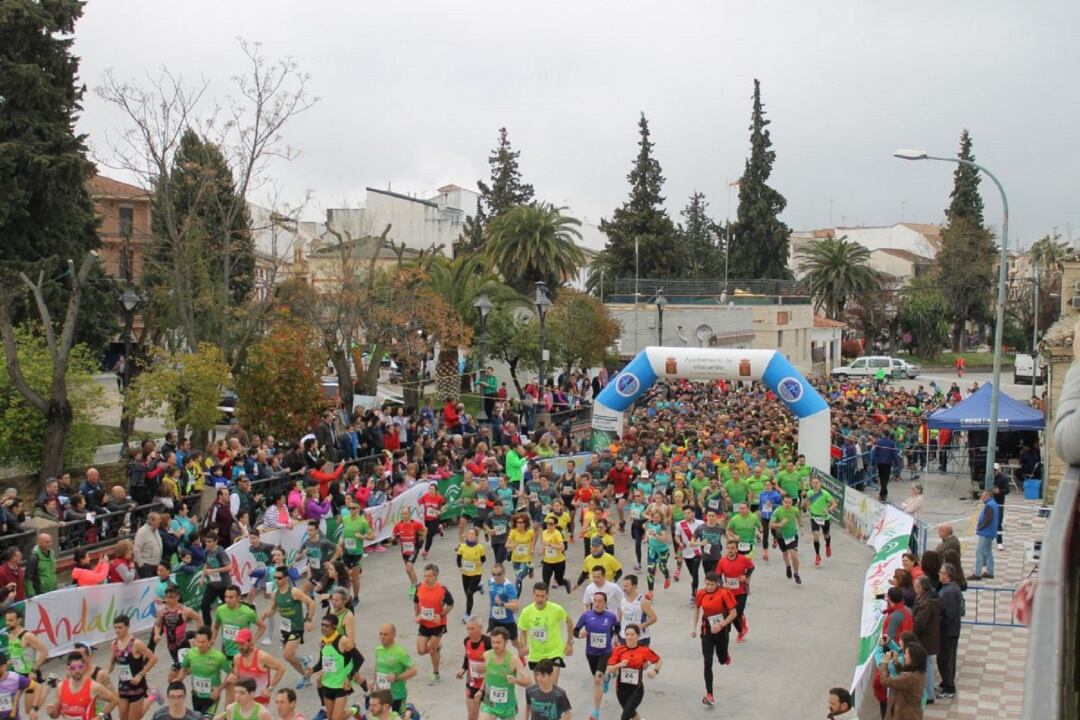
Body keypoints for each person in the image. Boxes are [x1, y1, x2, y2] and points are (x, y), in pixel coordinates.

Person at [259, 568, 316, 687]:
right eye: (275, 577)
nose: (276, 580)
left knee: (287, 655)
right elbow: (273, 609)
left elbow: (311, 603)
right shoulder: (276, 593)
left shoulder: (294, 591)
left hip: (296, 626)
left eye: (279, 578)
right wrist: (266, 614)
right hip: (285, 627)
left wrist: (309, 620)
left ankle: (306, 675)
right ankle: (305, 663)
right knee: (289, 656)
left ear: (286, 578)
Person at [303, 615, 364, 720]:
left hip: (341, 685)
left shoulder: (343, 641)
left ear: (334, 627)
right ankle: (355, 710)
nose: (323, 628)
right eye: (322, 625)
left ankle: (356, 708)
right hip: (327, 684)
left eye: (326, 626)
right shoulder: (322, 642)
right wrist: (312, 670)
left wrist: (349, 677)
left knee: (336, 718)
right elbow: (322, 662)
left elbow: (359, 659)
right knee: (330, 717)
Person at [691, 572, 737, 707]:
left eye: (712, 584)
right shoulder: (700, 594)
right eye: (707, 584)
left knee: (722, 659)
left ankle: (725, 656)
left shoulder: (724, 593)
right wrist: (694, 627)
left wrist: (722, 625)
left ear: (717, 583)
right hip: (707, 629)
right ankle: (709, 693)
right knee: (707, 661)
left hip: (722, 628)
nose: (709, 587)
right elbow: (697, 609)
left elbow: (733, 613)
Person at [574, 591, 619, 720]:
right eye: (595, 601)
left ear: (605, 603)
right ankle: (606, 677)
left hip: (605, 652)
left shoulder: (610, 616)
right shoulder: (586, 616)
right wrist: (579, 634)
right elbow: (575, 631)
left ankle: (596, 711)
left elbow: (617, 627)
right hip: (591, 653)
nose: (597, 604)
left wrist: (615, 636)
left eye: (600, 601)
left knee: (597, 680)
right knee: (598, 676)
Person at [517, 583, 574, 684]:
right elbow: (523, 631)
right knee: (540, 687)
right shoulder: (526, 612)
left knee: (552, 686)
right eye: (537, 595)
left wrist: (569, 643)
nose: (539, 599)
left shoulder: (556, 609)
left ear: (547, 595)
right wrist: (524, 647)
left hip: (554, 652)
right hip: (536, 654)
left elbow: (569, 622)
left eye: (542, 596)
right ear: (533, 595)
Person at [606, 624, 661, 720]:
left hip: (636, 689)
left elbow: (659, 661)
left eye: (632, 634)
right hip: (621, 690)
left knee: (625, 716)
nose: (629, 637)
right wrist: (619, 665)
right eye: (627, 634)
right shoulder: (618, 650)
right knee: (631, 712)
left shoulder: (644, 650)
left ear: (638, 636)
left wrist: (655, 671)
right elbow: (609, 669)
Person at [107, 614, 157, 720]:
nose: (117, 630)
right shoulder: (114, 644)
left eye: (120, 627)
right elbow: (114, 656)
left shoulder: (136, 643)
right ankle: (151, 696)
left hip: (137, 685)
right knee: (122, 717)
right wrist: (110, 666)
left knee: (133, 718)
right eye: (115, 628)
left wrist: (140, 674)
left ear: (127, 627)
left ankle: (151, 697)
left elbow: (153, 659)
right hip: (123, 684)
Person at [46, 651, 118, 720]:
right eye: (73, 668)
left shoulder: (93, 686)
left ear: (84, 667)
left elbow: (115, 700)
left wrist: (100, 717)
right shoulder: (60, 687)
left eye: (80, 667)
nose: (77, 670)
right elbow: (56, 715)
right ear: (68, 669)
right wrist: (51, 712)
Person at [478, 627, 530, 720]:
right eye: (493, 642)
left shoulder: (513, 659)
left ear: (505, 642)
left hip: (507, 707)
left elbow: (528, 681)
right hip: (490, 703)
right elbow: (487, 674)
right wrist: (481, 690)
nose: (495, 645)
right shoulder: (487, 655)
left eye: (498, 642)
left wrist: (515, 680)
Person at [414, 564, 454, 685]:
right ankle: (437, 647)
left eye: (429, 576)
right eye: (425, 575)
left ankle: (436, 674)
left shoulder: (443, 590)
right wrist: (417, 615)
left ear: (436, 576)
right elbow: (416, 601)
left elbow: (451, 604)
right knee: (421, 651)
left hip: (438, 625)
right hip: (424, 624)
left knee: (431, 650)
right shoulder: (420, 587)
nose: (426, 578)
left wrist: (440, 615)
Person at [179, 626, 232, 715]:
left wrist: (220, 689)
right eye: (198, 641)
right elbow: (183, 669)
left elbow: (231, 672)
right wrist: (179, 680)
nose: (200, 645)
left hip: (211, 697)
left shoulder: (219, 657)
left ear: (210, 641)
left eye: (203, 642)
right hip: (196, 695)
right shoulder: (191, 653)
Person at [152, 584, 201, 673]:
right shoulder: (162, 611)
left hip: (182, 644)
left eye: (171, 597)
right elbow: (158, 625)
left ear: (177, 597)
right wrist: (156, 634)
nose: (168, 599)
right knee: (182, 670)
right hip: (171, 645)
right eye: (166, 597)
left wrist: (199, 635)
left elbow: (198, 618)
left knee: (181, 672)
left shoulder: (185, 610)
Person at [231, 629, 285, 706]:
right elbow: (237, 678)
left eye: (242, 643)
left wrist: (270, 688)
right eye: (237, 644)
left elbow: (281, 669)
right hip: (243, 698)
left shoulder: (262, 657)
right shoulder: (237, 658)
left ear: (250, 642)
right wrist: (233, 677)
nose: (239, 647)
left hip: (260, 699)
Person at [715, 539, 754, 642]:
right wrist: (722, 584)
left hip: (741, 591)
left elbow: (751, 567)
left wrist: (745, 576)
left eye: (732, 548)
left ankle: (741, 619)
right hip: (728, 592)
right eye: (728, 548)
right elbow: (718, 576)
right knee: (732, 615)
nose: (730, 550)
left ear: (736, 549)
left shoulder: (743, 559)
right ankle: (741, 632)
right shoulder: (722, 561)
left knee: (737, 613)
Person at [212, 586, 264, 665]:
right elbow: (216, 626)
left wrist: (253, 640)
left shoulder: (247, 612)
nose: (227, 600)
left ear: (238, 598)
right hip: (226, 649)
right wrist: (212, 639)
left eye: (231, 597)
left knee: (237, 675)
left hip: (241, 650)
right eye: (226, 597)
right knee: (230, 673)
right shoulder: (220, 610)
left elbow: (262, 626)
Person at [876, 642, 928, 720]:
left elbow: (884, 680)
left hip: (904, 715)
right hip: (912, 714)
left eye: (906, 654)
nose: (904, 656)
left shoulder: (909, 677)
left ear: (913, 658)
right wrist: (896, 663)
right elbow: (902, 677)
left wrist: (884, 662)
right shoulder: (919, 673)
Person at [373, 624, 417, 716]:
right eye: (380, 634)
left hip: (397, 696)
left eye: (386, 634)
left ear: (394, 635)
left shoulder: (400, 652)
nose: (382, 637)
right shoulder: (378, 649)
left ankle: (412, 712)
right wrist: (373, 683)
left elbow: (414, 670)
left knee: (399, 717)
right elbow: (377, 667)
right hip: (382, 695)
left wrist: (397, 677)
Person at [912, 575, 941, 704]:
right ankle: (929, 691)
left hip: (925, 638)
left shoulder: (925, 603)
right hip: (928, 638)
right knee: (928, 664)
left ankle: (929, 694)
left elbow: (919, 623)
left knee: (927, 666)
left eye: (916, 585)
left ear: (921, 588)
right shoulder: (928, 598)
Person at [936, 563, 962, 699]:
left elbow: (948, 614)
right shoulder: (947, 589)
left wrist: (937, 622)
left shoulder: (950, 591)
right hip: (947, 631)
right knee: (944, 658)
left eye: (941, 572)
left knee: (946, 659)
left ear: (948, 576)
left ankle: (949, 687)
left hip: (948, 632)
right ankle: (945, 682)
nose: (939, 574)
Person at [339, 499, 374, 601]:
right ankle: (346, 597)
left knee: (354, 576)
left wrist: (362, 536)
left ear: (358, 509)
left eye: (353, 508)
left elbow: (372, 536)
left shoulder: (363, 522)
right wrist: (341, 540)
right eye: (349, 508)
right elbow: (343, 533)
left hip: (357, 553)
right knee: (345, 575)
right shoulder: (345, 519)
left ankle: (356, 597)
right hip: (346, 552)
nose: (351, 510)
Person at [457, 618, 491, 720]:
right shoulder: (466, 641)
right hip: (472, 682)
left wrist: (485, 667)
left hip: (487, 683)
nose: (470, 631)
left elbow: (494, 661)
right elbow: (467, 656)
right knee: (472, 714)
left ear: (480, 628)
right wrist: (463, 669)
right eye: (468, 629)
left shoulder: (487, 642)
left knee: (488, 716)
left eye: (473, 628)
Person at [769, 495, 802, 584]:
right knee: (785, 553)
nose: (788, 504)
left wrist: (801, 526)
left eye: (790, 502)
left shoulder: (795, 510)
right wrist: (780, 524)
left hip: (792, 535)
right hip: (781, 536)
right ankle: (788, 566)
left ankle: (796, 574)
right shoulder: (778, 511)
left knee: (794, 555)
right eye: (786, 502)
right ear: (782, 502)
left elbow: (798, 517)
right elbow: (771, 525)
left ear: (792, 503)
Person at [616, 575, 656, 647]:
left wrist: (641, 626)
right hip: (624, 636)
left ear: (634, 586)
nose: (624, 588)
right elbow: (620, 616)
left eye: (626, 586)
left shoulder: (642, 601)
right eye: (623, 586)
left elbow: (653, 618)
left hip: (640, 638)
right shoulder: (622, 600)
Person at [805, 477, 837, 566]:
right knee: (815, 536)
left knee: (826, 535)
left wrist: (829, 509)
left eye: (817, 483)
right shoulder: (809, 493)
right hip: (814, 517)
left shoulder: (825, 494)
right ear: (811, 484)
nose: (815, 484)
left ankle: (827, 545)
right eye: (813, 483)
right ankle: (817, 555)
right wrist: (808, 507)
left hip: (824, 518)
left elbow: (834, 504)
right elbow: (807, 502)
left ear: (820, 484)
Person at [392, 507, 426, 589]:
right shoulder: (398, 525)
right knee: (408, 570)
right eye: (403, 514)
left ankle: (417, 586)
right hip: (404, 549)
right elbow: (393, 534)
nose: (404, 516)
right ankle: (413, 584)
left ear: (409, 514)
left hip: (413, 549)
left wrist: (421, 539)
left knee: (409, 566)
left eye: (406, 513)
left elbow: (425, 530)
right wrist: (394, 539)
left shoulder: (416, 524)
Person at [457, 528, 487, 620]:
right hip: (465, 574)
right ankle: (479, 587)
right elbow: (458, 559)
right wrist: (460, 567)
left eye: (473, 534)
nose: (471, 535)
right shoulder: (462, 547)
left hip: (476, 574)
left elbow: (483, 559)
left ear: (476, 536)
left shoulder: (480, 548)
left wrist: (480, 563)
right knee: (467, 593)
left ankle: (467, 614)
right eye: (469, 534)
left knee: (469, 593)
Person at [485, 564, 520, 644]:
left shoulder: (508, 587)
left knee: (515, 643)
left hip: (507, 621)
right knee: (491, 641)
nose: (496, 577)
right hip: (493, 618)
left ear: (504, 573)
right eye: (493, 574)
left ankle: (522, 656)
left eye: (498, 574)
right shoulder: (490, 581)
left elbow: (516, 606)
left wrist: (502, 604)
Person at [539, 516, 573, 594]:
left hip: (559, 562)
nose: (549, 526)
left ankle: (566, 582)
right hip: (547, 562)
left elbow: (562, 547)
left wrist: (551, 545)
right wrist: (543, 550)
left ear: (555, 525)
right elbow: (544, 543)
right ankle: (545, 600)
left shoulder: (557, 534)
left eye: (551, 524)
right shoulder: (544, 533)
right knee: (545, 583)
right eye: (547, 524)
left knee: (559, 581)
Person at [971, 490, 1000, 580]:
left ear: (988, 496)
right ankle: (990, 571)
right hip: (990, 532)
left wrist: (980, 527)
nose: (981, 498)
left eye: (983, 496)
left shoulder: (989, 506)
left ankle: (977, 573)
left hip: (986, 532)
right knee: (988, 552)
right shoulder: (993, 504)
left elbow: (987, 520)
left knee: (979, 552)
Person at [870, 430, 899, 503]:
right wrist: (897, 463)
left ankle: (882, 493)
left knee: (882, 477)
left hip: (880, 462)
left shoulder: (879, 442)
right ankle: (884, 493)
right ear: (888, 435)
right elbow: (894, 454)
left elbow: (875, 453)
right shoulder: (891, 443)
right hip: (887, 463)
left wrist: (873, 462)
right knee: (885, 478)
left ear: (883, 434)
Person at [25, 533, 56, 597]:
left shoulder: (52, 553)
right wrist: (31, 593)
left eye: (51, 541)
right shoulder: (33, 558)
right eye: (47, 542)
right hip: (40, 592)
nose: (50, 544)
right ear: (40, 543)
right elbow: (28, 577)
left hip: (53, 589)